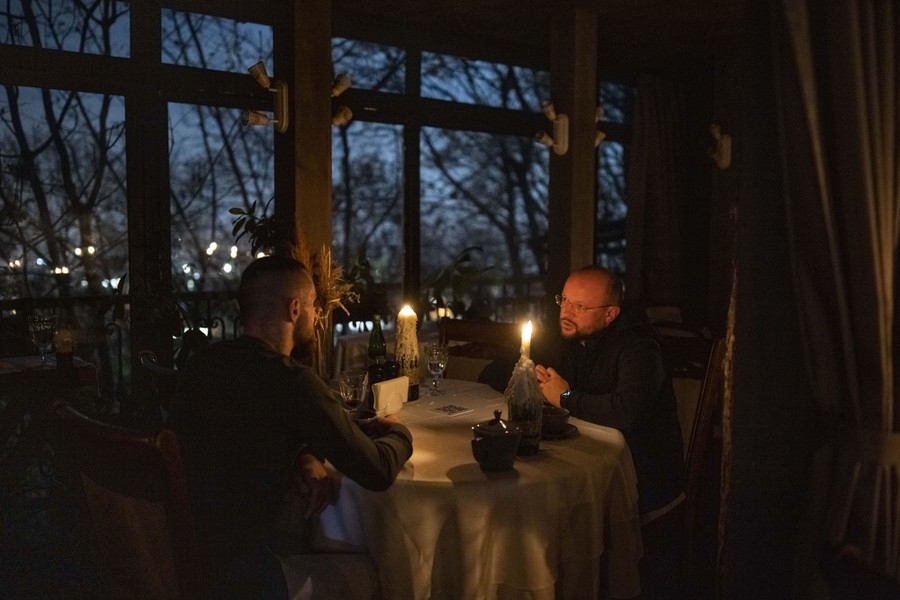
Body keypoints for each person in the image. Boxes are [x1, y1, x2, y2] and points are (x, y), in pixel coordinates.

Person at [168, 255, 413, 599]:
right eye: (314, 305)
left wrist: (305, 452)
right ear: (295, 309)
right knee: (378, 575)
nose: (317, 316)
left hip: (190, 560)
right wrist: (400, 431)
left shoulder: (203, 365)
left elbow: (246, 436)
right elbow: (378, 470)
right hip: (256, 574)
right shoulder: (292, 382)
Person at [534, 265, 684, 598]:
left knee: (541, 512)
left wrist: (566, 397)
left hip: (642, 477)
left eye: (579, 306)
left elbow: (626, 412)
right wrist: (526, 371)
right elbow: (502, 368)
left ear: (611, 314)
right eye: (564, 300)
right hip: (583, 458)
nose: (566, 312)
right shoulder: (571, 334)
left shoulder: (638, 347)